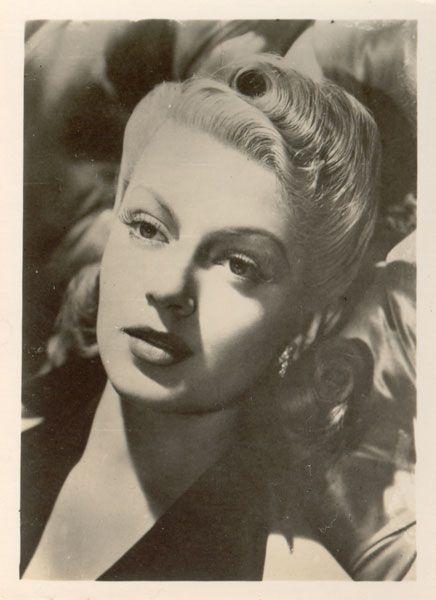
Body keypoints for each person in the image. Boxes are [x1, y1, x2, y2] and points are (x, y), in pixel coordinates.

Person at [21, 54, 386, 580]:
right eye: (148, 227)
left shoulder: (291, 580)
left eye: (240, 264)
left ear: (309, 322)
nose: (170, 288)